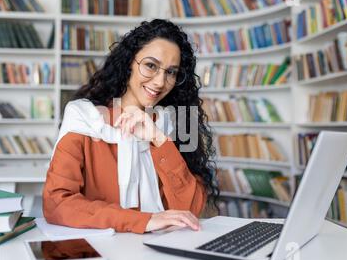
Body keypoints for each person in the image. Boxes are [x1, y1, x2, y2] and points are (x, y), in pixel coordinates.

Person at [42, 19, 219, 234]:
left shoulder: (176, 121)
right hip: (102, 252)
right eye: (151, 66)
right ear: (129, 62)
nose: (160, 82)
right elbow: (57, 204)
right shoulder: (83, 116)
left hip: (161, 250)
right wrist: (144, 220)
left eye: (171, 72)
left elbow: (190, 210)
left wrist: (159, 139)